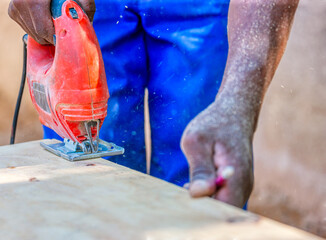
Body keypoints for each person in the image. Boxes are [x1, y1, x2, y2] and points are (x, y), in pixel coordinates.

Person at [8, 0, 299, 208]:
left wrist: (238, 103)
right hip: (86, 6)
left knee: (198, 171)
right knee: (84, 185)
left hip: (200, 8)